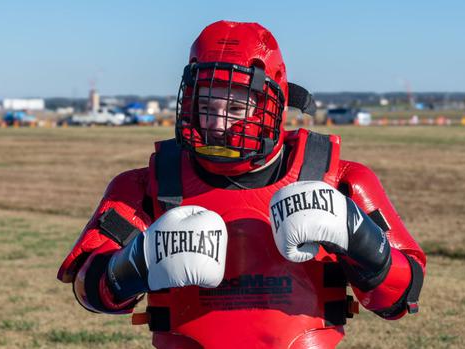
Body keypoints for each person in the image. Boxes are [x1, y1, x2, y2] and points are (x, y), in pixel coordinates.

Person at [57, 20, 426, 349]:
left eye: (235, 110)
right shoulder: (147, 184)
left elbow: (403, 296)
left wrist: (359, 238)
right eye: (208, 107)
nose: (218, 124)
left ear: (273, 104)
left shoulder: (339, 179)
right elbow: (89, 289)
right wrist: (136, 261)